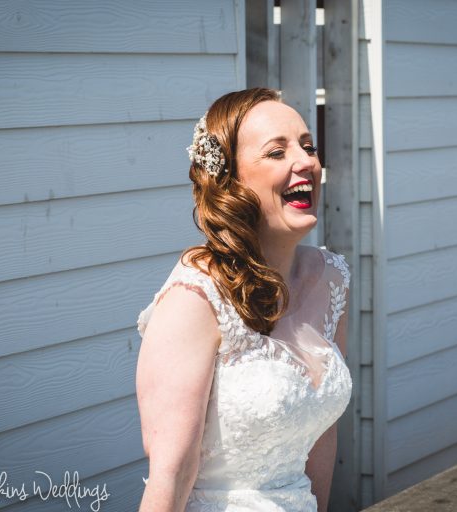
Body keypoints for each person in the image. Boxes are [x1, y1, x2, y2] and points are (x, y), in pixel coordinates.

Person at [135, 87, 352, 511]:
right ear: (231, 181)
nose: (306, 161)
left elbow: (322, 436)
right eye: (277, 152)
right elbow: (172, 473)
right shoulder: (195, 296)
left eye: (309, 147)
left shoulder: (331, 279)